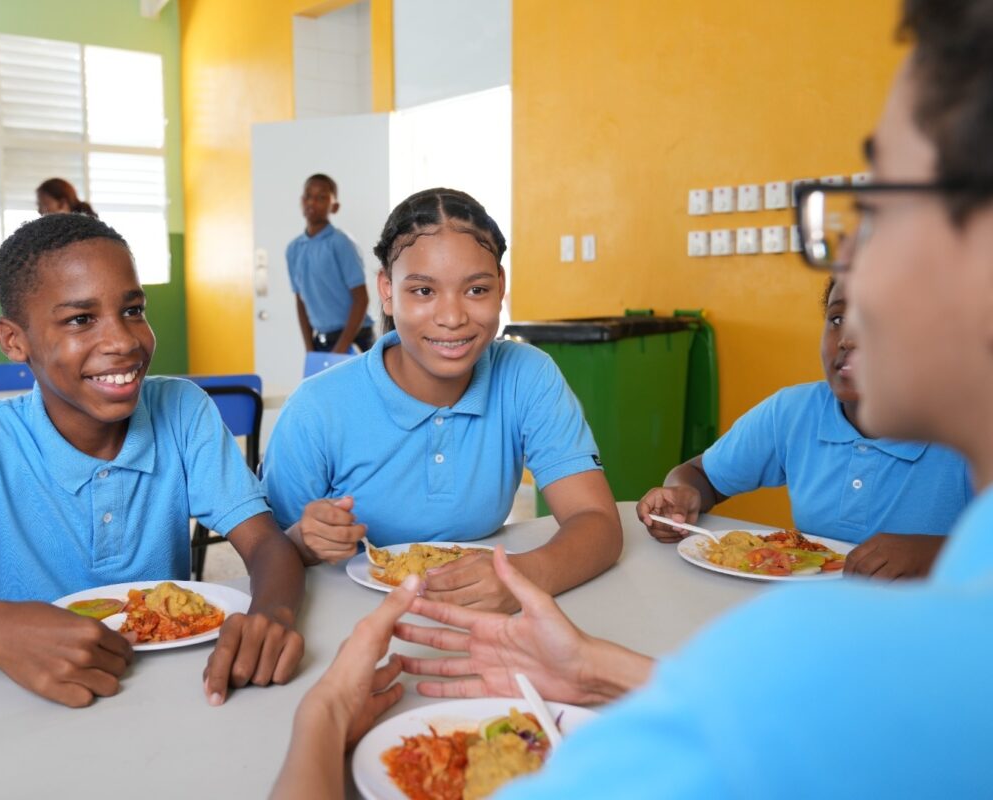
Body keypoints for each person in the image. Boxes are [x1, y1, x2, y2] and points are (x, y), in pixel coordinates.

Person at [270, 1, 993, 796]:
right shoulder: (876, 637)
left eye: (877, 204)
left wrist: (322, 720)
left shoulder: (818, 653)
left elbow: (758, 718)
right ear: (386, 292)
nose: (845, 261)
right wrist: (598, 670)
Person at [0, 213, 305, 709]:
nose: (124, 341)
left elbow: (265, 543)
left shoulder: (183, 411)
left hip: (170, 695)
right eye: (80, 319)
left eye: (133, 310)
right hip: (27, 705)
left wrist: (271, 617)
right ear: (14, 340)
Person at [263, 188, 622, 613]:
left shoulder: (528, 376)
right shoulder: (318, 407)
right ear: (387, 290)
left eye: (476, 290)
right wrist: (305, 540)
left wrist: (521, 578)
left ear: (500, 287)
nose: (452, 318)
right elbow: (269, 556)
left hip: (480, 625)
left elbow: (597, 522)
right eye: (422, 291)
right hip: (349, 626)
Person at [637, 275, 971, 579]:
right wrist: (681, 497)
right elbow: (702, 475)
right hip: (819, 617)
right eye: (837, 319)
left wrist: (934, 554)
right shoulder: (794, 412)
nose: (847, 340)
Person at [286, 173, 375, 354]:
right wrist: (309, 349)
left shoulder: (341, 243)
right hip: (322, 342)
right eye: (308, 196)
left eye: (321, 197)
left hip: (355, 339)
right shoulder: (294, 249)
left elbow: (361, 299)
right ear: (302, 201)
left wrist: (341, 348)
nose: (312, 202)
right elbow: (300, 302)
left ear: (334, 206)